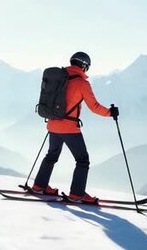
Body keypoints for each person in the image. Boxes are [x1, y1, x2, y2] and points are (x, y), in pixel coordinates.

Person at [31, 51, 119, 204]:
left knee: (51, 156)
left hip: (53, 123)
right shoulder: (82, 83)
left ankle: (39, 186)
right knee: (82, 160)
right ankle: (77, 194)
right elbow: (94, 107)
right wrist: (110, 113)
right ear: (84, 65)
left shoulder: (60, 78)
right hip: (69, 128)